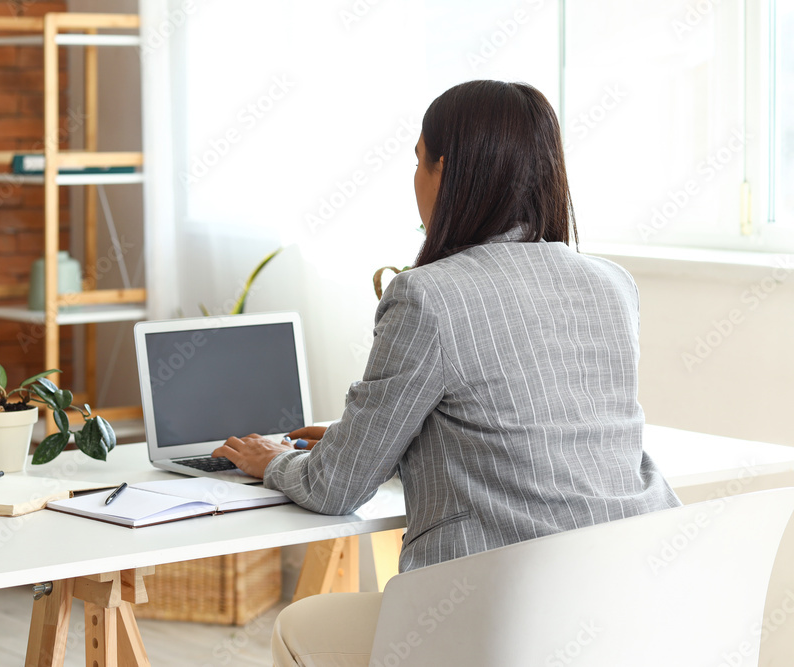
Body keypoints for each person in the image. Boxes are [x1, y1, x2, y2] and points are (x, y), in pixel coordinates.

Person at [211, 80, 681, 666]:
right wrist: (369, 441)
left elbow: (335, 489)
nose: (414, 179)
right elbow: (522, 423)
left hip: (495, 621)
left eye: (417, 160)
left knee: (298, 625)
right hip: (631, 606)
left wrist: (273, 459)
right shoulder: (613, 284)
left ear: (446, 170)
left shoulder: (426, 296)